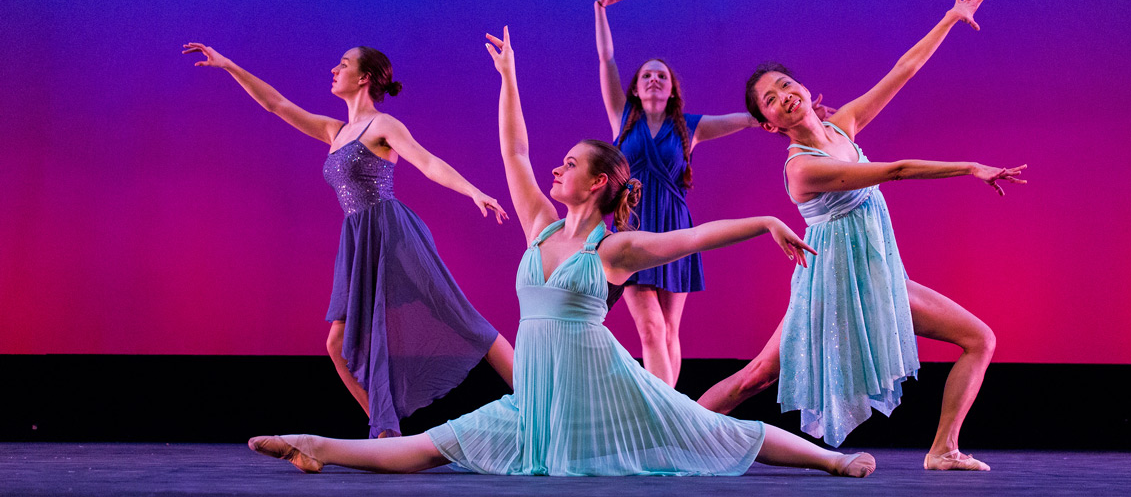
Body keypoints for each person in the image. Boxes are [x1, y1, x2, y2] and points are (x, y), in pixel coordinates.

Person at [245, 26, 875, 478]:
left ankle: (833, 460)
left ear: (598, 182)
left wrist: (765, 219)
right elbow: (514, 152)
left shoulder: (614, 248)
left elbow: (694, 237)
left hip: (603, 388)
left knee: (718, 433)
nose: (557, 167)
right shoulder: (541, 228)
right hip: (536, 401)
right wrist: (510, 79)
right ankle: (315, 443)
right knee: (427, 449)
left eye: (570, 164)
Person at [698, 0, 1023, 471]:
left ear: (803, 89)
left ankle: (943, 450)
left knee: (980, 339)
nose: (784, 96)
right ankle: (674, 429)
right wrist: (969, 167)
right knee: (758, 377)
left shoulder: (841, 126)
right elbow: (895, 170)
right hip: (830, 287)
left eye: (787, 85)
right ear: (767, 123)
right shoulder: (801, 168)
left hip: (875, 280)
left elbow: (903, 71)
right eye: (770, 99)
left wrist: (951, 19)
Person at [183, 43, 515, 438]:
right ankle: (386, 434)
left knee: (460, 317)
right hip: (358, 240)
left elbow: (427, 162)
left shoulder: (384, 126)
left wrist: (473, 191)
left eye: (342, 64)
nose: (332, 70)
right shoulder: (334, 130)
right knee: (338, 345)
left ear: (364, 78)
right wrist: (229, 65)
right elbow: (276, 104)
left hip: (391, 232)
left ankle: (532, 393)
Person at [593, 0, 834, 386]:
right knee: (649, 328)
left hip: (675, 229)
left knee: (669, 330)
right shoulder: (622, 118)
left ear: (671, 91)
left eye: (662, 76)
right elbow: (607, 62)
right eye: (647, 76)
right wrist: (599, 11)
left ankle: (670, 419)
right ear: (634, 89)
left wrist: (802, 111)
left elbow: (752, 119)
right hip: (631, 230)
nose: (654, 79)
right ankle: (666, 416)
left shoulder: (690, 127)